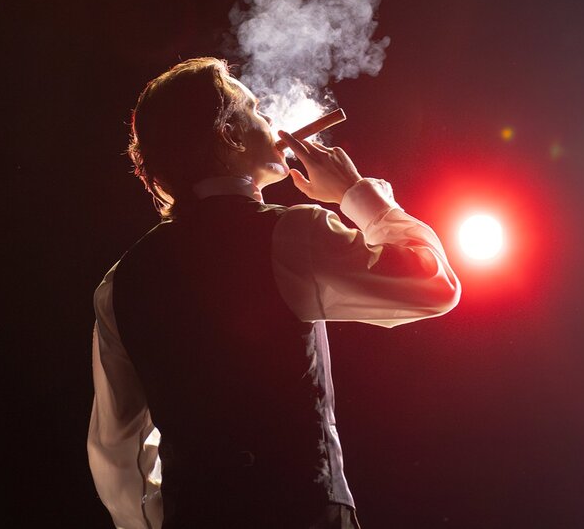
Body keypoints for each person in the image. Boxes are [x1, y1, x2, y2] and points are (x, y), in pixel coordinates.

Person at [87, 58, 461, 528]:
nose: (270, 121)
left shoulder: (120, 281)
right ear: (229, 134)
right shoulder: (293, 234)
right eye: (256, 110)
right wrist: (355, 193)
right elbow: (433, 286)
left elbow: (117, 449)